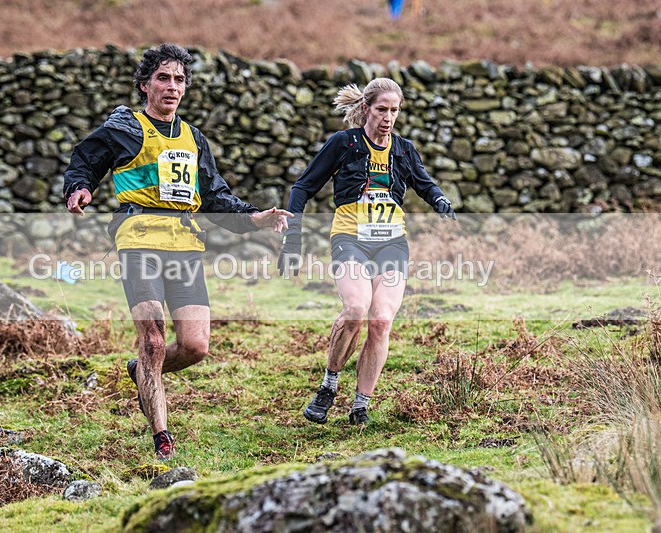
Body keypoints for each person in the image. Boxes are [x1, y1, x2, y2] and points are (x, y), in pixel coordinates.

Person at [64, 43, 292, 460]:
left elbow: (215, 197)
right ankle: (162, 438)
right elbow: (85, 160)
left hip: (185, 246)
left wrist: (256, 217)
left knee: (195, 347)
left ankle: (140, 371)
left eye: (180, 80)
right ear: (144, 85)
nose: (173, 87)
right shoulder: (125, 128)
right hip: (139, 239)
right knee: (152, 340)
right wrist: (79, 187)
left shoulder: (193, 138)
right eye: (163, 78)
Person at [278, 78, 455, 426]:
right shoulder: (343, 144)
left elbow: (424, 181)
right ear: (365, 109)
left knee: (381, 320)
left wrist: (440, 200)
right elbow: (303, 186)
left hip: (392, 242)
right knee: (356, 309)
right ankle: (329, 385)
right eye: (381, 110)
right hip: (351, 239)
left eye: (394, 110)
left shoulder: (403, 149)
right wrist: (293, 238)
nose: (388, 117)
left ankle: (360, 404)